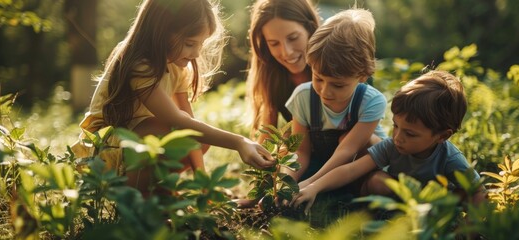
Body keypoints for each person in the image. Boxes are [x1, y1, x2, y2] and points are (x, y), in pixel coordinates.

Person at [73, 0, 273, 196]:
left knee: (199, 140)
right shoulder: (139, 65)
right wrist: (239, 142)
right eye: (189, 43)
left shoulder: (177, 67)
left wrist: (205, 188)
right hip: (102, 152)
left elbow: (190, 125)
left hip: (133, 147)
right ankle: (137, 200)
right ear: (161, 31)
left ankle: (157, 193)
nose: (196, 53)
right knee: (158, 130)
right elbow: (177, 121)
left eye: (200, 44)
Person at [291, 70, 486, 213]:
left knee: (461, 197)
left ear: (442, 136)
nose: (398, 137)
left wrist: (468, 231)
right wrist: (313, 187)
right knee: (377, 181)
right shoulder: (393, 146)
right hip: (399, 200)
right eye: (395, 126)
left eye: (410, 134)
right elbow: (351, 169)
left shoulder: (449, 157)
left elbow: (478, 191)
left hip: (432, 206)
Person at [285, 8, 387, 189]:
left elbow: (347, 151)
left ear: (362, 76)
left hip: (360, 166)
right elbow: (301, 151)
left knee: (379, 181)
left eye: (337, 85)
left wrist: (309, 184)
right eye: (318, 78)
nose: (325, 91)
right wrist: (287, 184)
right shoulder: (303, 97)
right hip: (324, 165)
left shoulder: (371, 101)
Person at [245, 0, 320, 143]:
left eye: (293, 38)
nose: (286, 52)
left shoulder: (337, 64)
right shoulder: (272, 75)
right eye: (274, 43)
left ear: (310, 29)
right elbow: (267, 135)